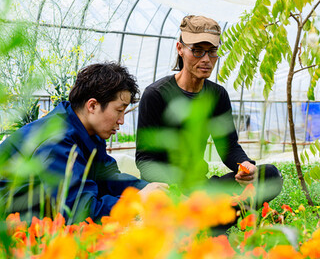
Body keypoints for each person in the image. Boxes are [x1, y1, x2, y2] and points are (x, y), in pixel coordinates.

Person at [136, 15, 282, 207]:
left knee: (270, 175)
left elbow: (228, 147)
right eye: (197, 51)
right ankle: (214, 218)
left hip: (201, 188)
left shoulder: (217, 95)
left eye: (212, 52)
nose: (206, 59)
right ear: (180, 49)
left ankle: (210, 217)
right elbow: (145, 160)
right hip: (168, 191)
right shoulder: (156, 94)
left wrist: (245, 165)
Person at [0, 62, 167, 222]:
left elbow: (109, 179)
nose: (122, 121)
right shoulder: (56, 140)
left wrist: (155, 191)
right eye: (119, 110)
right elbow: (80, 212)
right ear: (92, 105)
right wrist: (137, 201)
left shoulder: (89, 134)